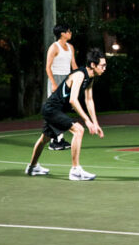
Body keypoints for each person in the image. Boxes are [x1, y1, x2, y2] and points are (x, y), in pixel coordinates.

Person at [25, 48, 107, 181]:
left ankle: (32, 166)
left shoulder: (90, 78)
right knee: (78, 130)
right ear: (93, 65)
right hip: (52, 109)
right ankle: (75, 170)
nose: (104, 68)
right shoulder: (80, 75)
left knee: (45, 138)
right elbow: (73, 100)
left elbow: (89, 100)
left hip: (55, 109)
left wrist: (96, 123)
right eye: (102, 65)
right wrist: (87, 120)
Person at [45, 24, 78, 151]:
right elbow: (48, 67)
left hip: (67, 78)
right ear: (62, 33)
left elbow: (73, 65)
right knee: (54, 109)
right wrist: (53, 83)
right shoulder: (54, 47)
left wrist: (78, 78)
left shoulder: (71, 47)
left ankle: (57, 139)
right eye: (68, 31)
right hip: (56, 77)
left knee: (62, 110)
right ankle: (56, 140)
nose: (70, 33)